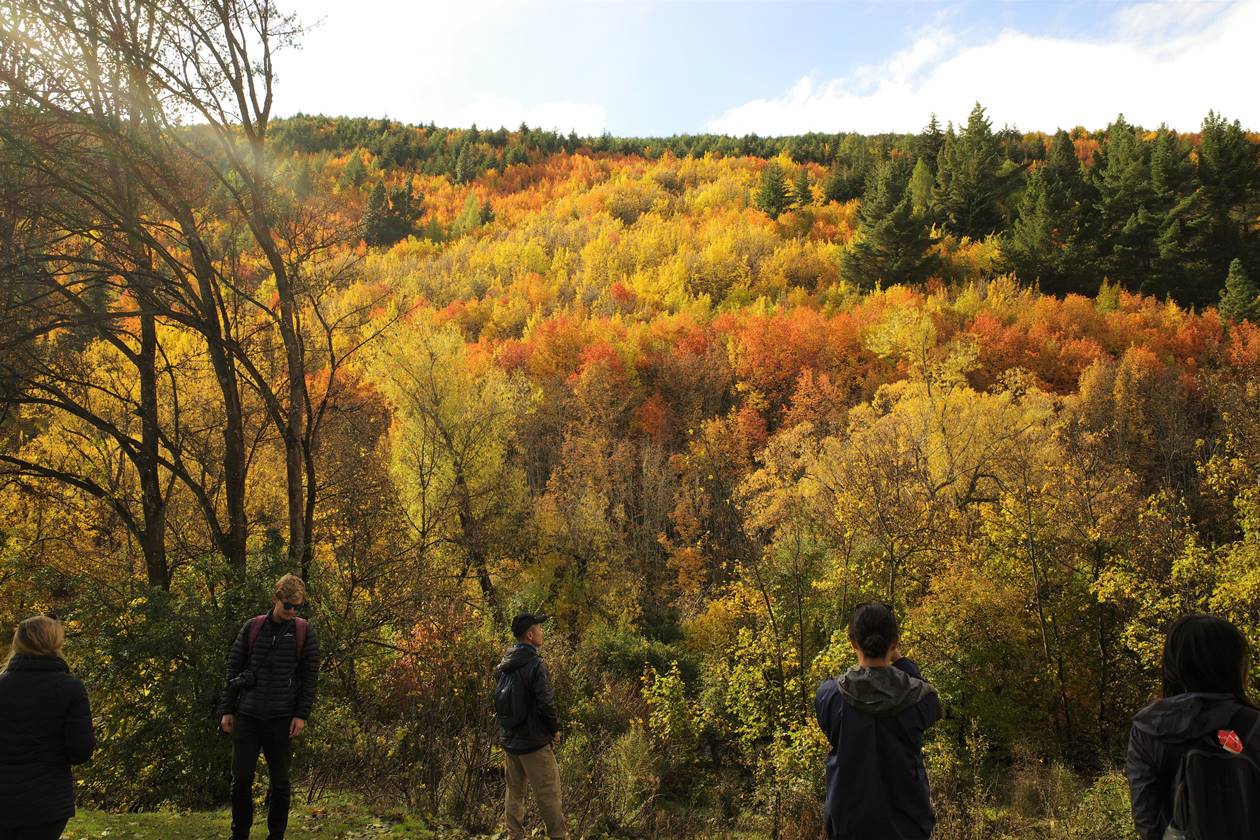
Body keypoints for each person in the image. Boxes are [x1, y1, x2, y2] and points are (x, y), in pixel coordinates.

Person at [1126, 614, 1260, 840]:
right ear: (1235, 664)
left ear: (1173, 665)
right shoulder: (1253, 724)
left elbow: (1146, 817)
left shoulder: (1149, 727)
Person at [815, 603, 942, 840]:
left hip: (848, 826)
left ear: (853, 643)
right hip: (907, 828)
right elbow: (926, 695)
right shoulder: (919, 699)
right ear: (894, 643)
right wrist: (901, 660)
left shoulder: (830, 696)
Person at [218, 574, 319, 840]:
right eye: (288, 605)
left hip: (282, 718)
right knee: (241, 780)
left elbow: (310, 678)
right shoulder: (253, 627)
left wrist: (301, 715)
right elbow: (233, 668)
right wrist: (227, 709)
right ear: (276, 599)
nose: (292, 611)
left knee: (281, 784)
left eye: (298, 607)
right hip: (248, 716)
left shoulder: (304, 632)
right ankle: (239, 834)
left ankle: (276, 835)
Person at [0, 614, 96, 840]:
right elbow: (80, 751)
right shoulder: (70, 688)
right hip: (47, 802)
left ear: (18, 642)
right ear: (56, 642)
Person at [495, 612, 567, 840]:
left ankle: (514, 836)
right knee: (549, 795)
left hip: (510, 740)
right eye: (539, 628)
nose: (542, 631)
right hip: (534, 743)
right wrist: (554, 729)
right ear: (530, 634)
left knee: (514, 794)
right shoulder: (535, 665)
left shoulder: (505, 664)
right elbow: (546, 703)